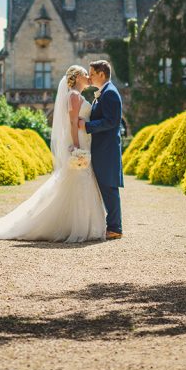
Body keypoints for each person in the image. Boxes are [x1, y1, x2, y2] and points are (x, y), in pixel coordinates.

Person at [0, 65, 107, 242]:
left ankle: (77, 225)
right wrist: (76, 146)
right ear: (77, 77)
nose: (88, 77)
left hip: (83, 140)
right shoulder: (74, 95)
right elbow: (71, 123)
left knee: (78, 180)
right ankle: (74, 226)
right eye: (85, 74)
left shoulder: (76, 95)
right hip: (78, 141)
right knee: (76, 180)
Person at [78, 59, 124, 239]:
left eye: (92, 73)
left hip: (107, 150)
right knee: (105, 187)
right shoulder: (103, 93)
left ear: (102, 74)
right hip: (102, 149)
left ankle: (115, 228)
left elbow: (112, 122)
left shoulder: (110, 93)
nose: (89, 76)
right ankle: (112, 226)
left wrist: (87, 126)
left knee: (109, 187)